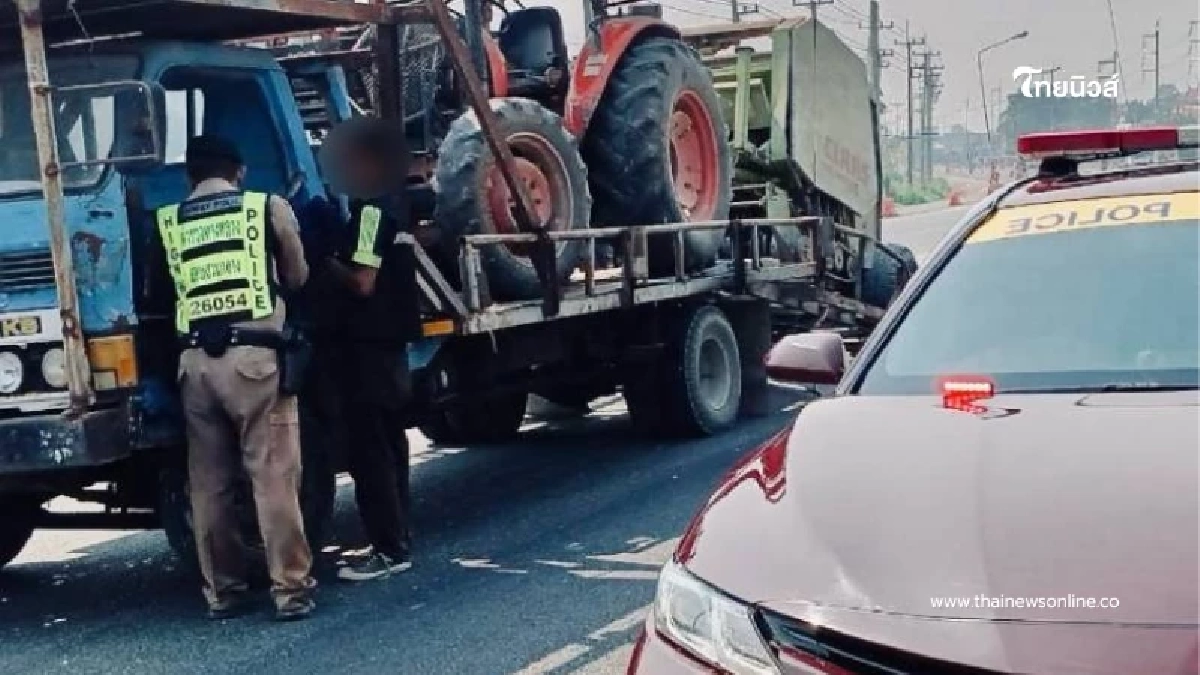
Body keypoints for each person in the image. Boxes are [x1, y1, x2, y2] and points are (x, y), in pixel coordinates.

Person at [155, 134, 316, 620]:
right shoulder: (265, 207)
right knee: (273, 479)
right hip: (254, 360)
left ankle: (223, 592)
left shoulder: (169, 220)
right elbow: (297, 276)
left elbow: (163, 293)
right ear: (239, 171)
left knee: (208, 485)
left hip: (195, 366)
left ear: (189, 176)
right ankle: (290, 591)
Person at [311, 117, 422, 582]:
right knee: (391, 448)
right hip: (387, 348)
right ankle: (398, 540)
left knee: (371, 452)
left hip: (368, 351)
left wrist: (321, 257)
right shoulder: (390, 205)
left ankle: (387, 549)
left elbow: (362, 281)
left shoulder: (369, 213)